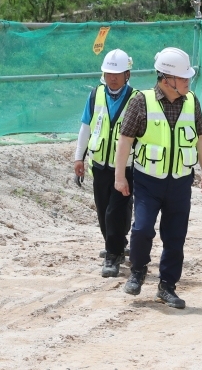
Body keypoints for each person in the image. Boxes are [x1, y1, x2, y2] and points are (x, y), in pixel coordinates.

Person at [114, 47, 202, 310]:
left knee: (175, 236)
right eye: (184, 78)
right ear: (167, 79)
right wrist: (120, 175)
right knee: (142, 229)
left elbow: (201, 137)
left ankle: (167, 287)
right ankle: (138, 271)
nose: (188, 82)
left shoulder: (191, 101)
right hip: (148, 181)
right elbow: (125, 140)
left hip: (180, 181)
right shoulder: (141, 101)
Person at [74, 49, 137, 278]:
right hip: (99, 164)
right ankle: (117, 244)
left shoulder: (136, 99)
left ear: (127, 74)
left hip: (125, 167)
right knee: (103, 212)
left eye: (118, 73)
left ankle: (113, 256)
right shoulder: (94, 95)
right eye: (109, 72)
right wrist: (78, 157)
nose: (113, 77)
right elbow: (85, 127)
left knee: (115, 212)